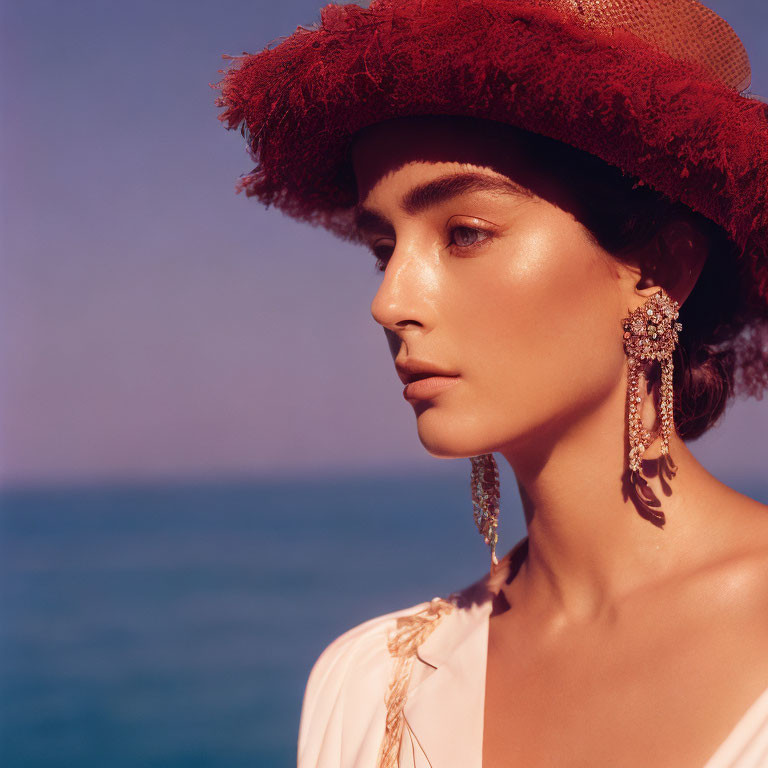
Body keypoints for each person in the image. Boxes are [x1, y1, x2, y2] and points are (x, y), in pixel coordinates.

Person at [213, 0, 768, 765]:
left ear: (661, 268)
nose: (389, 301)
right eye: (383, 250)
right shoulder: (368, 687)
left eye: (464, 233)